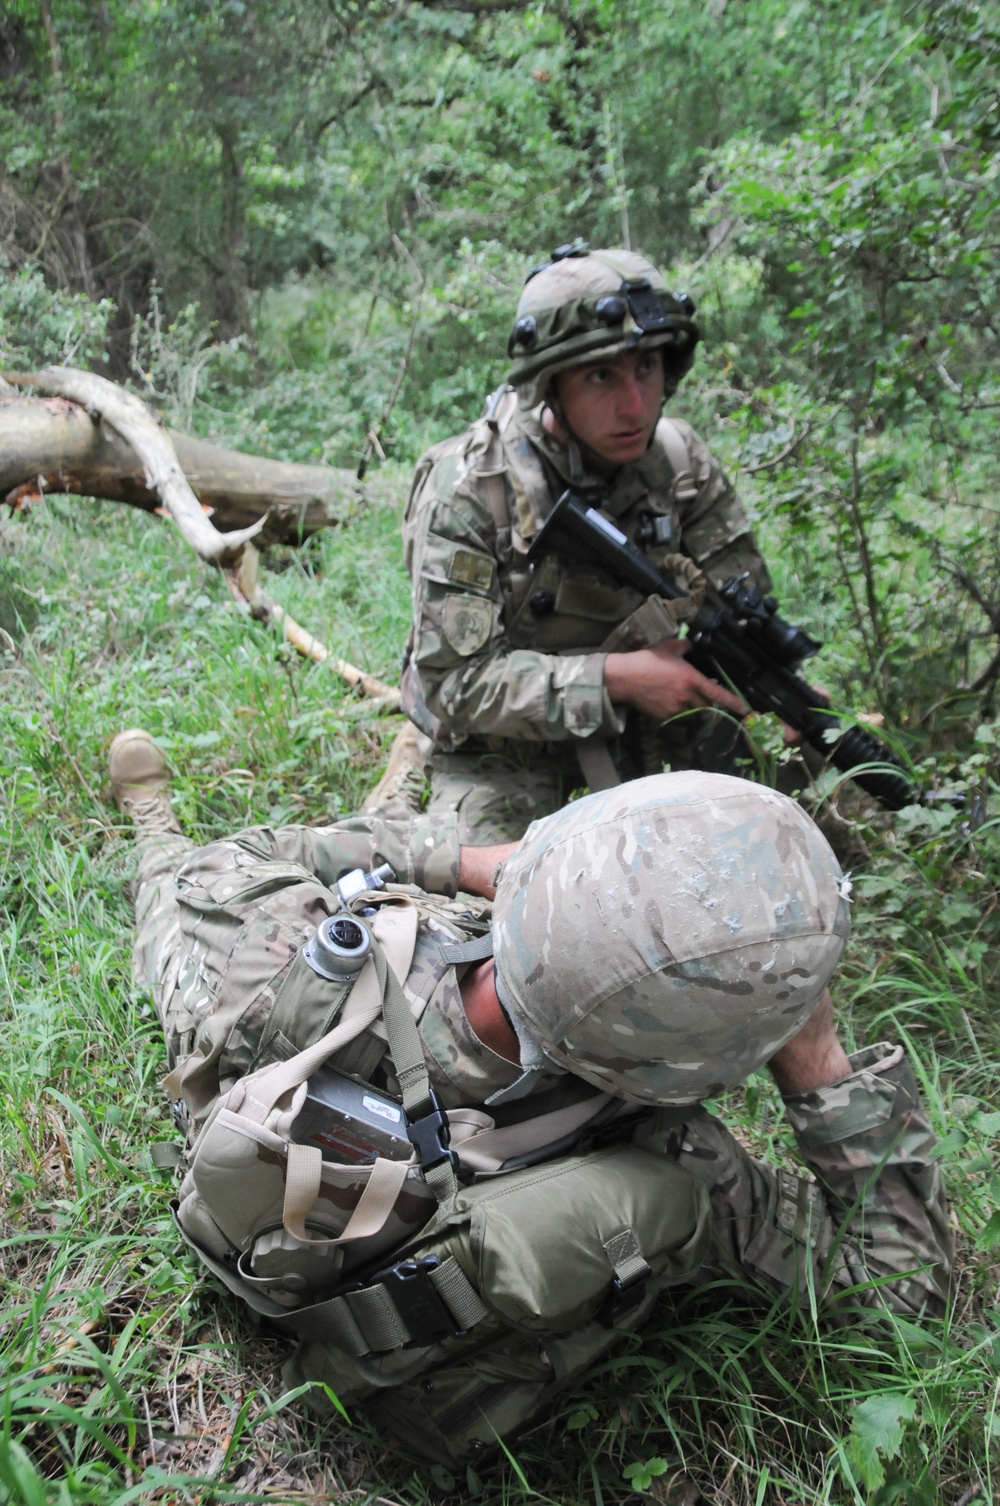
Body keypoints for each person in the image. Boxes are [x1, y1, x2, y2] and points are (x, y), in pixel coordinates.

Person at [111, 728, 951, 1464]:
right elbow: (903, 1298)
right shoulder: (684, 1158)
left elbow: (219, 867)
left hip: (251, 1081)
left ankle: (161, 825)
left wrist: (451, 862)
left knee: (164, 888)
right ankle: (385, 784)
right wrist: (820, 1063)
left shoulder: (279, 950)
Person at [390, 241, 790, 846]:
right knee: (499, 901)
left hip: (651, 725)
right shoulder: (473, 488)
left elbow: (741, 614)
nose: (634, 404)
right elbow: (455, 686)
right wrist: (618, 678)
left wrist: (777, 690)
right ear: (550, 386)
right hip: (504, 751)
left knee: (770, 833)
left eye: (647, 369)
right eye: (601, 376)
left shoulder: (679, 463)